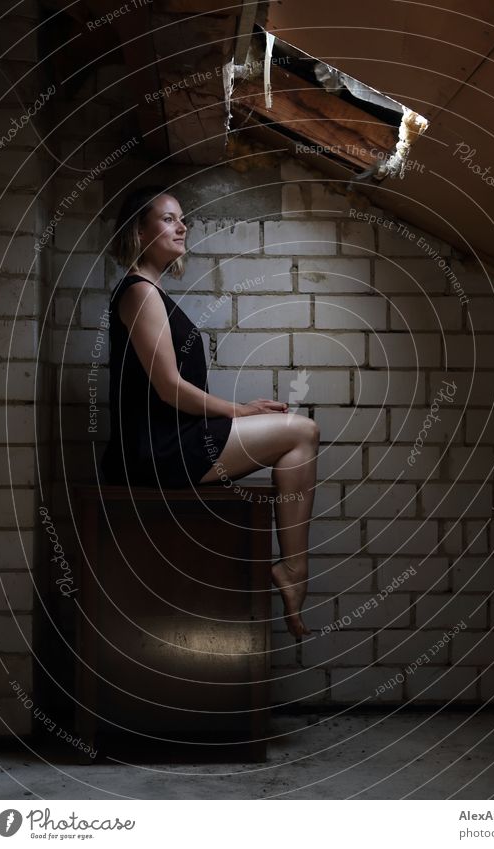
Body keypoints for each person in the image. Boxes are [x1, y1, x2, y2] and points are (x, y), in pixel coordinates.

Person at [100, 185, 320, 639]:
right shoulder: (140, 293)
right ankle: (294, 568)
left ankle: (294, 568)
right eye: (167, 219)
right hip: (157, 453)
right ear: (138, 231)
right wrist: (239, 411)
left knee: (298, 431)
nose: (182, 227)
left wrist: (240, 414)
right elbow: (169, 389)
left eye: (183, 219)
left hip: (168, 445)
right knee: (301, 433)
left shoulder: (150, 294)